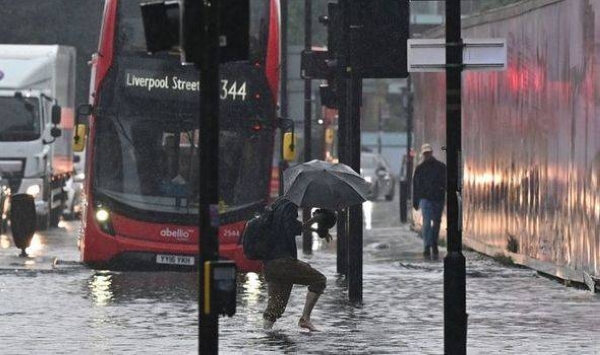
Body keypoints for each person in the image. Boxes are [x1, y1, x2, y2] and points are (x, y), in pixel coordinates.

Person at [262, 199, 333, 332]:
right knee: (319, 280)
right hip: (284, 262)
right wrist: (315, 219)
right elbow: (293, 228)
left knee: (274, 309)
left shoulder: (277, 205)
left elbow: (283, 228)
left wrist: (315, 230)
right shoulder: (289, 207)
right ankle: (305, 319)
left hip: (270, 263)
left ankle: (265, 337)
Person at [412, 143, 446, 259]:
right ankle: (429, 245)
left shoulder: (422, 169)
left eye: (428, 153)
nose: (427, 155)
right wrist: (416, 201)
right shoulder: (439, 167)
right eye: (425, 153)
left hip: (433, 198)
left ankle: (431, 244)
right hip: (431, 198)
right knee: (429, 223)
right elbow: (416, 186)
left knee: (434, 223)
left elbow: (416, 186)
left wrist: (416, 201)